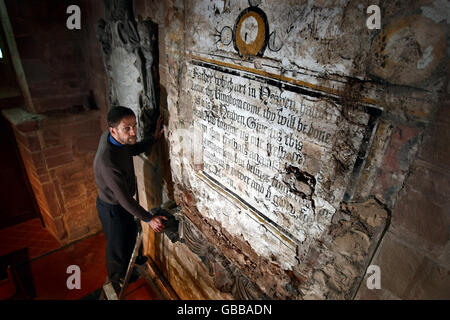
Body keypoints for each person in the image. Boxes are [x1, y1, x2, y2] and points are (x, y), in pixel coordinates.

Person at [93, 106, 167, 290]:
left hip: (120, 204)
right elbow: (125, 200)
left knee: (130, 235)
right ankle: (117, 280)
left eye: (134, 126)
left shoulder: (116, 139)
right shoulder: (108, 162)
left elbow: (131, 150)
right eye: (127, 128)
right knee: (117, 245)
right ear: (113, 130)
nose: (133, 131)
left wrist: (154, 139)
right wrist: (149, 219)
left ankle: (133, 266)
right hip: (112, 208)